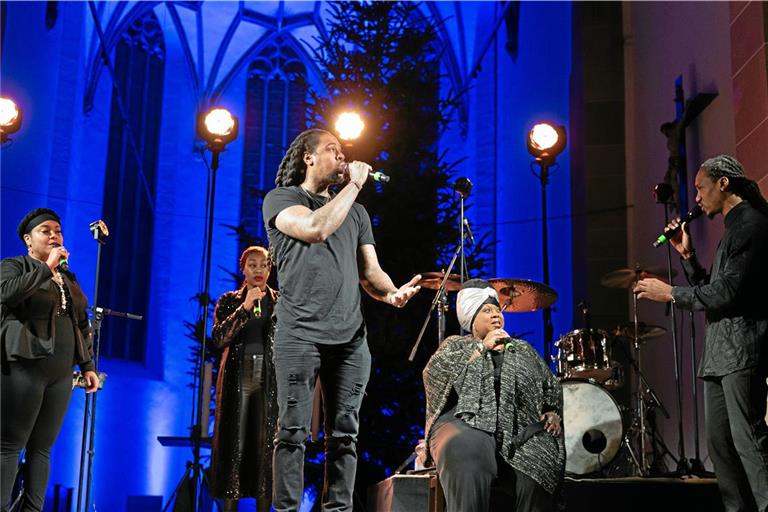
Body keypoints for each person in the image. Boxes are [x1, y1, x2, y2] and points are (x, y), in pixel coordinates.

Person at [262, 128, 421, 511]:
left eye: (342, 151)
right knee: (292, 433)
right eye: (332, 150)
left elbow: (371, 271)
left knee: (345, 435)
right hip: (298, 334)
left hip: (350, 337)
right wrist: (355, 187)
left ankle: (338, 510)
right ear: (308, 157)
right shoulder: (282, 199)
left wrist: (391, 292)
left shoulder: (357, 214)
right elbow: (316, 228)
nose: (341, 157)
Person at [635, 155, 768, 512]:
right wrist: (689, 256)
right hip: (721, 355)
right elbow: (714, 291)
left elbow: (726, 294)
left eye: (700, 188)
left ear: (723, 184)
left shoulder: (751, 226)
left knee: (749, 442)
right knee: (721, 447)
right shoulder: (733, 229)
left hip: (742, 351)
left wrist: (670, 293)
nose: (696, 197)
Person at [421, 279, 564, 512]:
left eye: (497, 309)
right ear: (471, 318)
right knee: (467, 448)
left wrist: (552, 410)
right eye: (487, 310)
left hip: (519, 427)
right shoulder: (456, 345)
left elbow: (550, 385)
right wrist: (481, 348)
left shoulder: (522, 348)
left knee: (541, 457)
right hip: (463, 420)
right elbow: (434, 376)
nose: (496, 314)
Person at [1, 208, 100, 512]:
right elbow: (7, 294)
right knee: (10, 445)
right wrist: (46, 268)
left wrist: (88, 366)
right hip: (24, 365)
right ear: (28, 240)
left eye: (58, 230)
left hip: (60, 371)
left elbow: (80, 322)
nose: (55, 235)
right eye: (46, 231)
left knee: (41, 449)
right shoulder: (14, 266)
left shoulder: (67, 277)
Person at [210, 246, 278, 512]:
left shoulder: (280, 301)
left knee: (263, 448)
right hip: (237, 379)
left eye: (263, 265)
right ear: (244, 269)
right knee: (234, 446)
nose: (259, 270)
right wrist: (245, 306)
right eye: (253, 265)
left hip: (267, 380)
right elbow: (218, 338)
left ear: (270, 269)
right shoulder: (229, 300)